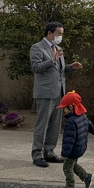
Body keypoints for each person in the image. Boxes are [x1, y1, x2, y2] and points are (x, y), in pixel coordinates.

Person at [30, 22, 83, 168]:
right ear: (49, 33)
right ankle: (37, 154)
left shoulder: (58, 48)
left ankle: (49, 152)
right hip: (45, 92)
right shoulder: (37, 47)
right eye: (58, 34)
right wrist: (52, 59)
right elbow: (36, 67)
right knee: (43, 124)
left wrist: (71, 67)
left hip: (59, 92)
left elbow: (58, 69)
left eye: (61, 34)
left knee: (55, 124)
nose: (60, 37)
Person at [55, 91, 94, 188]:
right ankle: (86, 177)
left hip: (73, 149)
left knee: (67, 167)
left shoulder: (70, 122)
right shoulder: (83, 116)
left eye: (64, 108)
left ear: (71, 107)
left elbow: (69, 140)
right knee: (72, 164)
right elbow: (91, 127)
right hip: (81, 147)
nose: (63, 110)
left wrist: (65, 154)